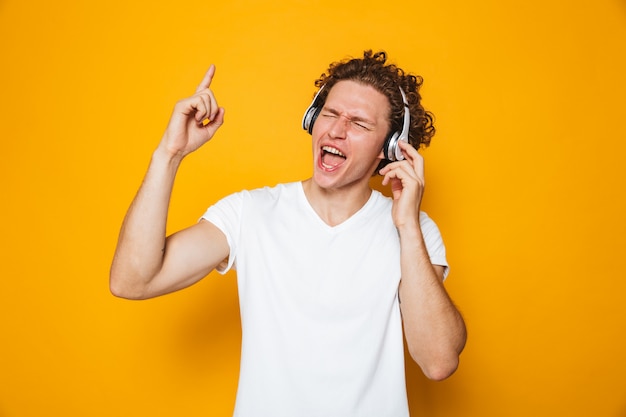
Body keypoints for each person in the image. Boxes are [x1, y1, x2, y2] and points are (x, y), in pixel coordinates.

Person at [110, 50, 466, 417]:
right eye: (329, 113)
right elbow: (132, 281)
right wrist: (169, 154)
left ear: (389, 148)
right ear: (313, 118)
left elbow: (438, 362)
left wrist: (406, 226)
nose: (336, 130)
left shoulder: (416, 232)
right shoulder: (249, 213)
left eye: (359, 124)